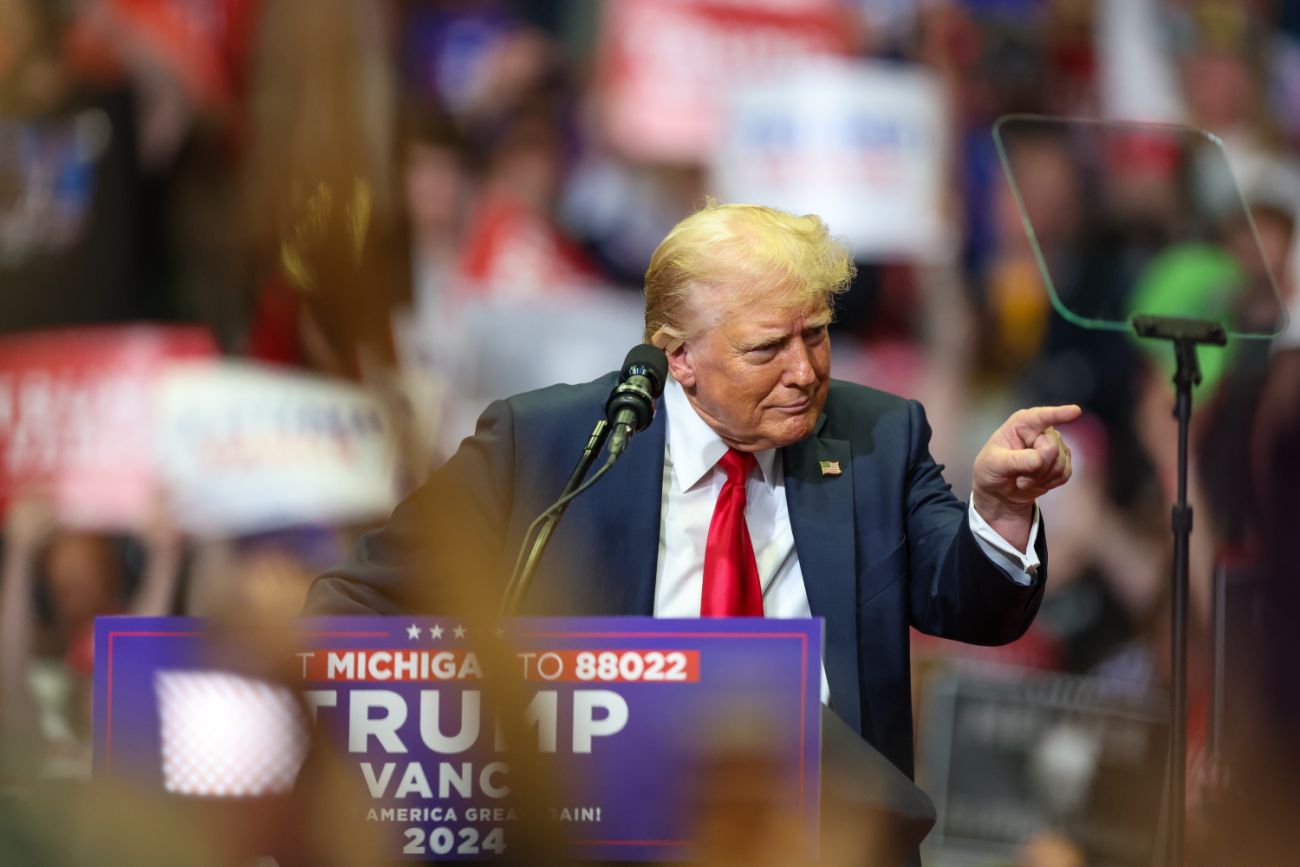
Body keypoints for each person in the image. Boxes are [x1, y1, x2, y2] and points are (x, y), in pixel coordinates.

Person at [305, 202, 1077, 779]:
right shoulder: (548, 445)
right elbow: (354, 607)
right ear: (680, 358)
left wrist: (1003, 512)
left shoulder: (877, 439)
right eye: (767, 348)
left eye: (816, 333)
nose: (804, 371)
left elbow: (971, 603)